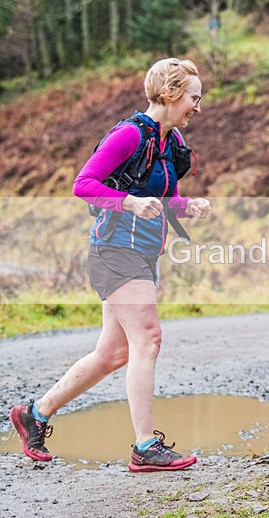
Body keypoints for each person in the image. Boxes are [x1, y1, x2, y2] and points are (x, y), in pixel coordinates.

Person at [9, 58, 211, 472]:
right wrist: (130, 202)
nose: (198, 106)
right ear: (171, 94)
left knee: (112, 353)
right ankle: (145, 447)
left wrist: (188, 207)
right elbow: (83, 184)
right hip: (114, 250)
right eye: (194, 97)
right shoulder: (129, 134)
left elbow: (159, 200)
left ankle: (35, 413)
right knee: (149, 338)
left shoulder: (169, 144)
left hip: (142, 253)